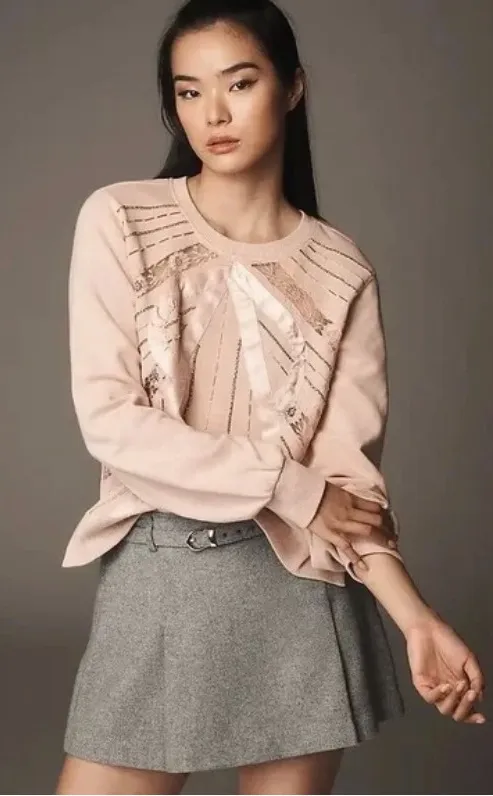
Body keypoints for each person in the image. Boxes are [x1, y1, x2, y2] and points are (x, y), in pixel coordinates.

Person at [55, 1, 486, 793]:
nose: (212, 114)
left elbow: (346, 485)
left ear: (291, 87)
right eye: (188, 92)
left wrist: (416, 618)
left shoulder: (341, 268)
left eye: (239, 83)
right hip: (160, 574)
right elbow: (112, 422)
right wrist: (290, 486)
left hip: (299, 593)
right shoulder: (120, 218)